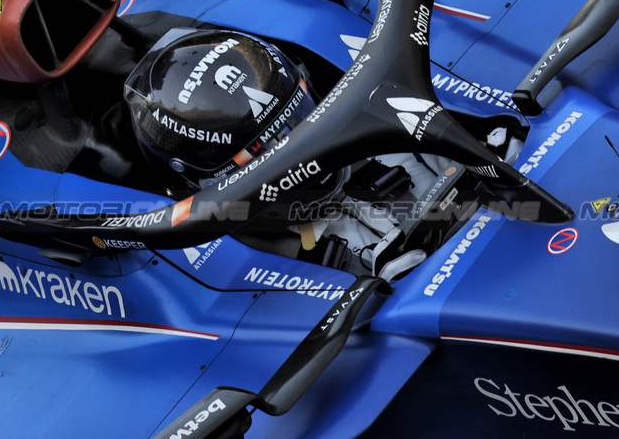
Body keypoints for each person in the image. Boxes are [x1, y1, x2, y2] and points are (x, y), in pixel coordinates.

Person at [122, 26, 518, 280]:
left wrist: (483, 150)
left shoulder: (393, 133)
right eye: (265, 155)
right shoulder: (256, 261)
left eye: (299, 121)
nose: (305, 163)